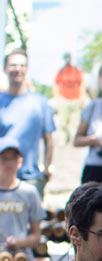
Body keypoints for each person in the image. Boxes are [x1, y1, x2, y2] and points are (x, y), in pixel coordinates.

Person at [0, 50, 55, 197]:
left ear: (26, 69)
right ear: (5, 68)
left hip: (31, 178)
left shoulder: (40, 102)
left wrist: (46, 170)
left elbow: (49, 140)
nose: (17, 69)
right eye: (13, 65)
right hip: (2, 178)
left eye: (22, 65)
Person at [0, 136, 43, 261]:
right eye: (4, 158)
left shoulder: (29, 192)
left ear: (20, 161)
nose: (8, 163)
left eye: (13, 158)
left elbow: (36, 235)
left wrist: (18, 243)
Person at [53, 53, 84, 144]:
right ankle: (62, 139)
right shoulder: (61, 71)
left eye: (68, 58)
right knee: (63, 122)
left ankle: (74, 140)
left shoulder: (76, 70)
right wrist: (57, 98)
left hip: (76, 99)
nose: (67, 60)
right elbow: (56, 85)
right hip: (64, 99)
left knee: (76, 122)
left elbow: (82, 84)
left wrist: (82, 98)